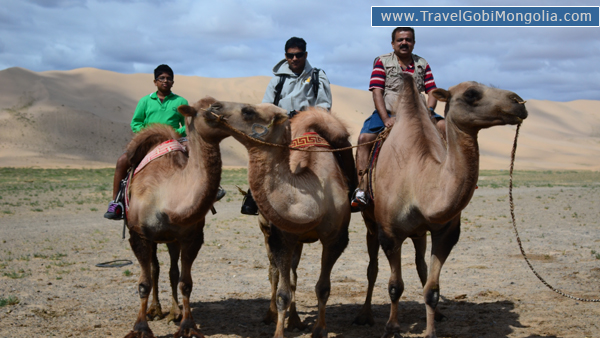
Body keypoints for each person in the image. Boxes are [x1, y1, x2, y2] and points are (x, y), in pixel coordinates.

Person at [241, 37, 358, 215]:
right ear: (286, 56)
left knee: (343, 143)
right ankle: (254, 195)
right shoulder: (277, 81)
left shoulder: (318, 76)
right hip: (284, 126)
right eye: (290, 55)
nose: (294, 59)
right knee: (261, 151)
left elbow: (324, 105)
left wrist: (305, 115)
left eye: (298, 55)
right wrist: (284, 115)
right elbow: (265, 107)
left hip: (314, 125)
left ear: (305, 54)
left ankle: (352, 187)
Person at [104, 64, 225, 220]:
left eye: (169, 78)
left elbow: (187, 123)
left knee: (195, 152)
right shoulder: (145, 101)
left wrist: (175, 133)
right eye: (162, 78)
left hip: (174, 140)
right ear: (155, 81)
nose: (165, 81)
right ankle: (116, 202)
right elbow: (136, 123)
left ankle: (210, 190)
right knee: (122, 161)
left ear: (173, 82)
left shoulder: (180, 101)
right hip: (149, 141)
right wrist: (149, 133)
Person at [351, 27, 446, 208]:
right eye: (400, 40)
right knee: (364, 139)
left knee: (446, 128)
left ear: (413, 43)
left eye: (408, 40)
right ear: (393, 43)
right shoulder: (382, 62)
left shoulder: (422, 63)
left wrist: (429, 110)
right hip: (389, 112)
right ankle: (362, 189)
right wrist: (386, 118)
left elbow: (432, 90)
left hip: (418, 114)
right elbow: (377, 92)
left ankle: (451, 176)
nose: (404, 43)